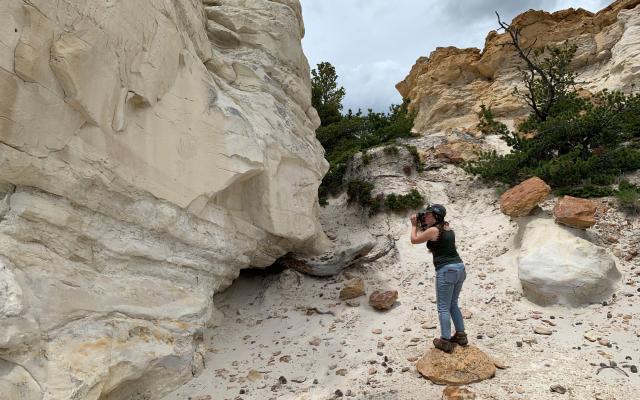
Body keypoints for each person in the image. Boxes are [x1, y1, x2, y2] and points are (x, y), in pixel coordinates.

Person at [410, 204, 467, 353]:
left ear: (436, 216)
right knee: (453, 304)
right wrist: (422, 222)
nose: (425, 216)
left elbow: (414, 240)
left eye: (428, 214)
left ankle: (445, 340)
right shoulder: (447, 227)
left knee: (443, 308)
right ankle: (461, 335)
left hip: (446, 270)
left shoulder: (434, 230)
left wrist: (413, 225)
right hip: (460, 268)